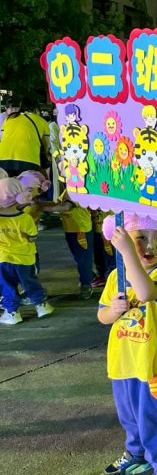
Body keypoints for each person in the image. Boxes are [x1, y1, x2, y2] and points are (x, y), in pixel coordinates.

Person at [98, 214, 157, 475]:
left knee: (155, 417)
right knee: (129, 416)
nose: (151, 246)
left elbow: (146, 292)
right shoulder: (115, 277)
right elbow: (102, 315)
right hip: (123, 362)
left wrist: (128, 252)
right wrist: (113, 311)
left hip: (153, 364)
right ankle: (136, 453)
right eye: (141, 238)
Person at [0, 178, 53, 325]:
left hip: (3, 259)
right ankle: (42, 306)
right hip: (25, 258)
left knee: (7, 286)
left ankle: (12, 313)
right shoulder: (25, 218)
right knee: (30, 282)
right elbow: (32, 237)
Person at [0, 99, 50, 176]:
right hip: (29, 161)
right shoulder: (42, 121)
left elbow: (2, 138)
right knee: (26, 183)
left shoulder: (9, 118)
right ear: (36, 109)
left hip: (3, 160)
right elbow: (46, 145)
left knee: (6, 183)